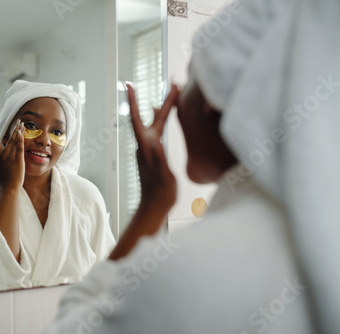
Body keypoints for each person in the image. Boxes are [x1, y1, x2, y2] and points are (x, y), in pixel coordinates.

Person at [42, 0, 340, 333]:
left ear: (212, 103)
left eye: (189, 80)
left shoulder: (192, 272)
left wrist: (151, 208)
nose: (176, 97)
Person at [0, 80, 115, 293]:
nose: (45, 140)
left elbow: (109, 278)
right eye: (30, 126)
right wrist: (9, 189)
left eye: (57, 131)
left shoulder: (85, 195)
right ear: (6, 132)